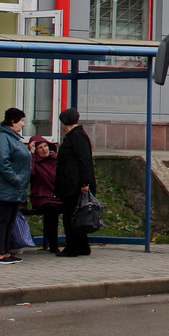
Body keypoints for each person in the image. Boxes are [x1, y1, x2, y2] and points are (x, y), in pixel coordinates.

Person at [0, 108, 32, 264]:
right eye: (21, 121)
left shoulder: (12, 137)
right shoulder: (1, 138)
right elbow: (1, 162)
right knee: (2, 220)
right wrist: (16, 179)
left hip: (12, 189)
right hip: (4, 187)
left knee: (10, 220)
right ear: (12, 121)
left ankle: (5, 252)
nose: (23, 124)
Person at [56, 108, 97, 257]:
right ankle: (82, 246)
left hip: (74, 185)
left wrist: (85, 183)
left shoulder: (76, 136)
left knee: (70, 216)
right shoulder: (76, 135)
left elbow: (84, 160)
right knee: (77, 215)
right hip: (73, 183)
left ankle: (72, 248)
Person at [29, 135, 62, 253]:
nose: (44, 149)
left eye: (45, 146)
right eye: (40, 148)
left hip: (57, 196)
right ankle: (53, 244)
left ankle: (75, 242)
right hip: (41, 197)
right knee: (51, 209)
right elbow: (29, 174)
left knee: (71, 206)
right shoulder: (33, 162)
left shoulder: (56, 160)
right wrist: (31, 155)